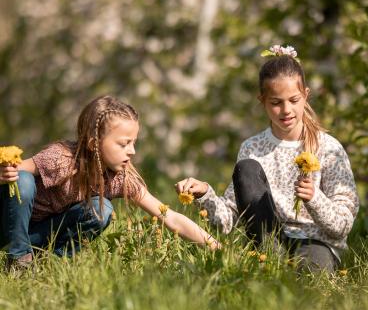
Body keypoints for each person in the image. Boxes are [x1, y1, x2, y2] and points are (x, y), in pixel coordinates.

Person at [175, 45, 359, 273]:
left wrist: (314, 198)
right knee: (246, 168)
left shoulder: (329, 148)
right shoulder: (252, 148)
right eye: (276, 103)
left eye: (294, 100)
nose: (286, 110)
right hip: (267, 239)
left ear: (306, 96)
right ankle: (270, 258)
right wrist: (205, 193)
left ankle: (280, 268)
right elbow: (228, 221)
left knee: (310, 274)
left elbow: (342, 227)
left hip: (316, 242)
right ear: (262, 101)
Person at [0, 95, 219, 271]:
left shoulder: (119, 178)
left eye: (134, 143)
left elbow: (169, 216)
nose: (132, 151)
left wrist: (216, 248)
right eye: (124, 144)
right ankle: (18, 259)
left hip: (39, 234)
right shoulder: (60, 159)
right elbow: (13, 169)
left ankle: (47, 263)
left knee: (101, 209)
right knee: (23, 181)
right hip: (7, 226)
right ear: (94, 143)